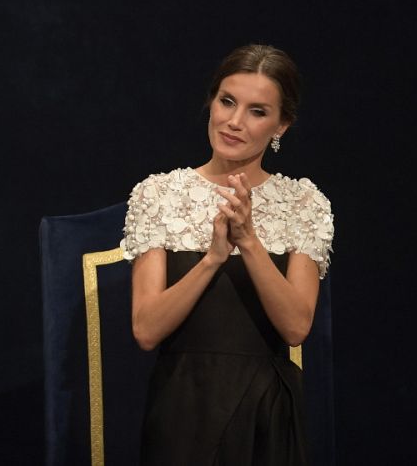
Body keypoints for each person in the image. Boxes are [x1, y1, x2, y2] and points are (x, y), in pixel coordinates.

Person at [121, 43, 334, 466]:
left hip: (266, 412)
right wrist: (213, 258)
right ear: (212, 102)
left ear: (281, 126)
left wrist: (249, 242)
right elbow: (146, 330)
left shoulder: (304, 203)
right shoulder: (159, 194)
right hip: (184, 408)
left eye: (258, 111)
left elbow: (295, 327)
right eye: (228, 102)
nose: (235, 122)